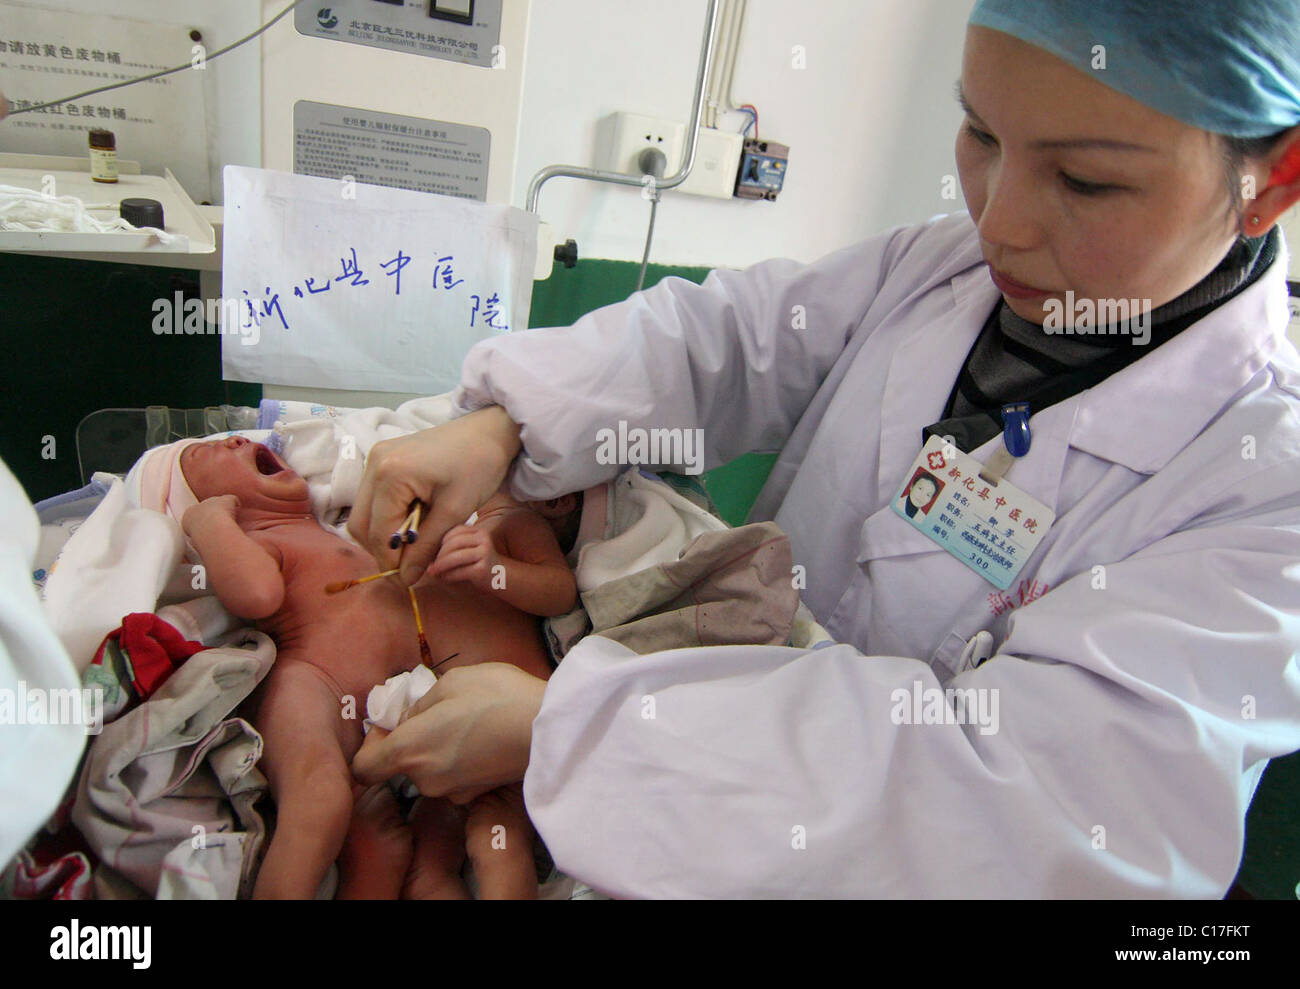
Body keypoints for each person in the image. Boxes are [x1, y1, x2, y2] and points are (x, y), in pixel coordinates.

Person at [348, 0, 1300, 897]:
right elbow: (726, 342)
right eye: (980, 134)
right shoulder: (939, 269)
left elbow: (1031, 811)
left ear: (1274, 182)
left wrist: (581, 733)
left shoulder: (1262, 491)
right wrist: (506, 423)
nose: (998, 220)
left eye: (1085, 179)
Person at [173, 435, 576, 898]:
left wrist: (484, 567)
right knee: (323, 805)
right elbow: (256, 593)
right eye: (203, 454)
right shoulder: (263, 538)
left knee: (463, 845)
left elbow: (554, 590)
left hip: (448, 712)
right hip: (318, 679)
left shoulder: (496, 523)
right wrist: (208, 525)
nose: (238, 440)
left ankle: (419, 875)